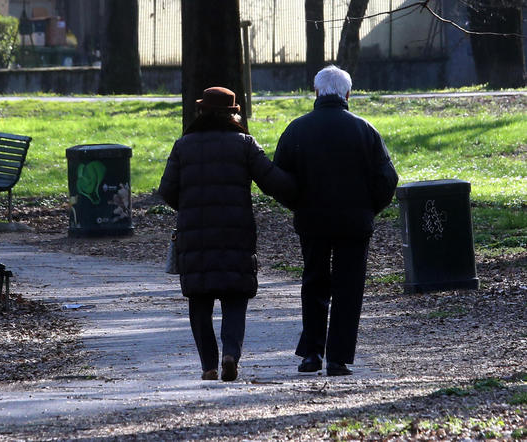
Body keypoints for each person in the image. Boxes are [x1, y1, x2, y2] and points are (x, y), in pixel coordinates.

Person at [158, 86, 297, 382]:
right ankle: (230, 354)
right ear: (234, 113)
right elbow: (272, 181)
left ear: (202, 112)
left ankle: (208, 365)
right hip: (236, 234)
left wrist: (190, 208)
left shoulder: (183, 145)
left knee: (199, 302)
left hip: (195, 238)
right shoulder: (245, 144)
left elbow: (167, 190)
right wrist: (303, 190)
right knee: (235, 298)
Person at [273, 65, 398, 376]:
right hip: (355, 222)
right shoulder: (365, 130)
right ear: (347, 94)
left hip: (312, 220)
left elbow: (278, 178)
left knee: (314, 281)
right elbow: (388, 178)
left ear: (316, 92)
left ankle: (311, 354)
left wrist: (297, 205)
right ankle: (338, 358)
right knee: (349, 287)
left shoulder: (296, 129)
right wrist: (370, 208)